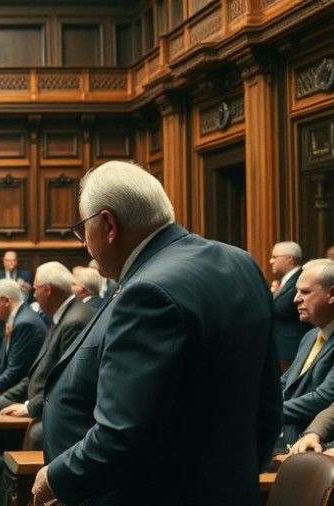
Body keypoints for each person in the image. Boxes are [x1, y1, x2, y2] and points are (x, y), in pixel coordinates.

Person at [33, 161, 281, 506]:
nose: (84, 245)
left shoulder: (147, 292)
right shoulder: (240, 263)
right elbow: (268, 406)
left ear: (108, 225)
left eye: (82, 230)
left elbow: (121, 435)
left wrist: (58, 478)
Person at [0, 262, 96, 506]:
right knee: (2, 460)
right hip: (44, 409)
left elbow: (66, 383)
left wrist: (29, 407)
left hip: (61, 422)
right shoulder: (62, 317)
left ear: (48, 290)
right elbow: (39, 372)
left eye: (36, 288)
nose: (32, 294)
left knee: (12, 459)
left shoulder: (74, 321)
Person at [280, 258, 334, 445]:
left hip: (318, 441)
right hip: (287, 434)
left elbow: (324, 398)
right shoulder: (310, 336)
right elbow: (286, 383)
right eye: (296, 291)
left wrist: (265, 412)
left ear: (332, 294)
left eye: (306, 292)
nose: (296, 299)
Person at [271, 241, 314, 366]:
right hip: (281, 347)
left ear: (289, 258)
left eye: (275, 257)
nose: (271, 261)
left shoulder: (301, 278)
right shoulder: (282, 282)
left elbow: (281, 308)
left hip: (291, 349)